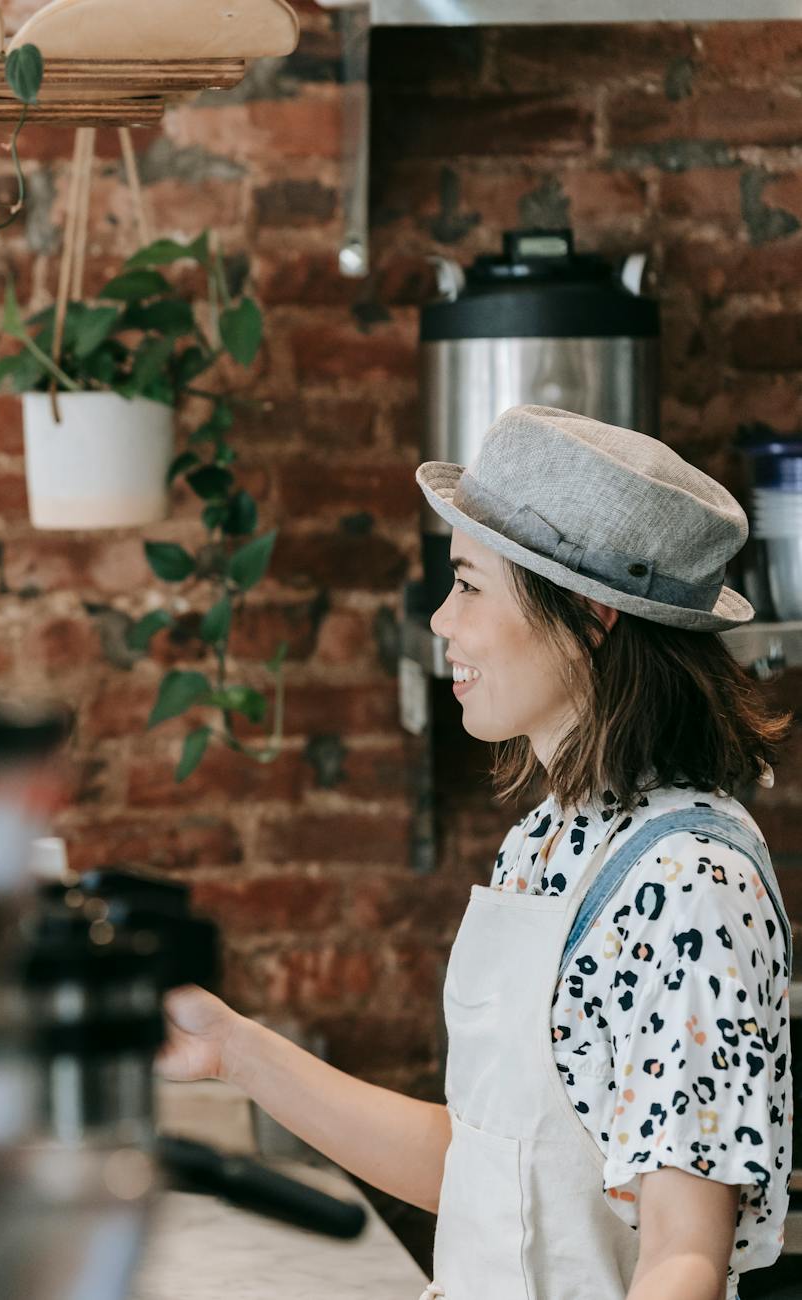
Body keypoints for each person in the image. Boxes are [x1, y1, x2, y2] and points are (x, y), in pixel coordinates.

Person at [162, 406, 792, 1300]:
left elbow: (680, 1259)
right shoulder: (546, 843)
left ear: (588, 614)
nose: (439, 619)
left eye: (468, 584)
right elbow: (491, 1169)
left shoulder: (691, 882)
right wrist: (231, 1049)